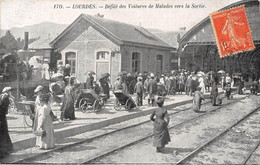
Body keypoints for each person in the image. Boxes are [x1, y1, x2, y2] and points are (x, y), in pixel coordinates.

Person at [0, 87, 13, 159]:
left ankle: (5, 151)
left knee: (3, 134)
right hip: (2, 117)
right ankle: (6, 150)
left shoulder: (5, 98)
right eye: (9, 91)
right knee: (4, 133)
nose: (9, 92)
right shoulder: (5, 98)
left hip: (1, 117)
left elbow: (3, 109)